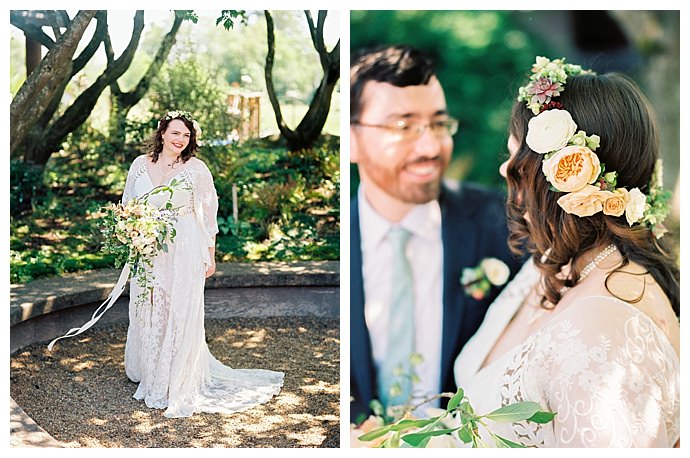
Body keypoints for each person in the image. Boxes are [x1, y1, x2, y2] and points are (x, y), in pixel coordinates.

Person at [454, 57, 680, 447]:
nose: (505, 169)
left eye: (515, 157)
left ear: (560, 177)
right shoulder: (551, 264)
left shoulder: (607, 333)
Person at [51, 111, 284, 418]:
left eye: (186, 136)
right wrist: (131, 231)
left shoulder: (197, 169)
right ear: (162, 133)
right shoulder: (139, 165)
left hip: (184, 246)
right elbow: (128, 207)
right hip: (149, 248)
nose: (180, 140)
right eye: (175, 133)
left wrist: (210, 254)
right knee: (150, 305)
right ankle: (150, 369)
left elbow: (209, 214)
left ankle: (175, 375)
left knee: (179, 307)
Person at [350, 45, 522, 424]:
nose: (430, 147)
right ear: (351, 139)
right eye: (403, 126)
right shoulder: (338, 239)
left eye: (439, 124)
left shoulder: (507, 224)